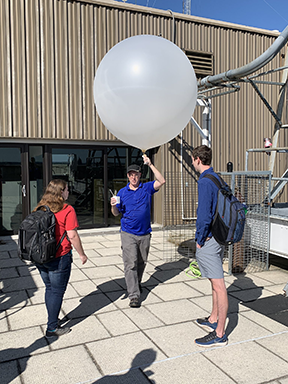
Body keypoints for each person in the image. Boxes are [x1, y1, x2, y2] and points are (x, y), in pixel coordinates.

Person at [34, 179, 88, 338]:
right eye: (66, 190)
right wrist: (82, 254)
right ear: (60, 192)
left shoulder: (40, 207)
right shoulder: (67, 209)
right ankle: (52, 328)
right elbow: (72, 235)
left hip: (41, 257)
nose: (68, 192)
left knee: (50, 289)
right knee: (57, 291)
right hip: (59, 256)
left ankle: (53, 318)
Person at [110, 155, 165, 308]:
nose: (133, 177)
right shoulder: (122, 192)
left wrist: (151, 164)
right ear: (128, 176)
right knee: (130, 264)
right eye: (131, 174)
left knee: (141, 262)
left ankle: (136, 283)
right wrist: (113, 205)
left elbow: (162, 181)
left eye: (136, 174)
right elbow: (115, 213)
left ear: (140, 175)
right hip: (128, 233)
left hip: (145, 233)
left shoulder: (146, 188)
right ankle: (133, 295)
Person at [191, 145, 228, 347]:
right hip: (219, 237)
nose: (192, 162)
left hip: (210, 238)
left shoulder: (205, 182)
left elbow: (204, 215)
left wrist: (199, 238)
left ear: (197, 159)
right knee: (215, 283)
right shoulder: (217, 177)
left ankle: (220, 333)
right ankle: (213, 319)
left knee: (219, 285)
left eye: (192, 159)